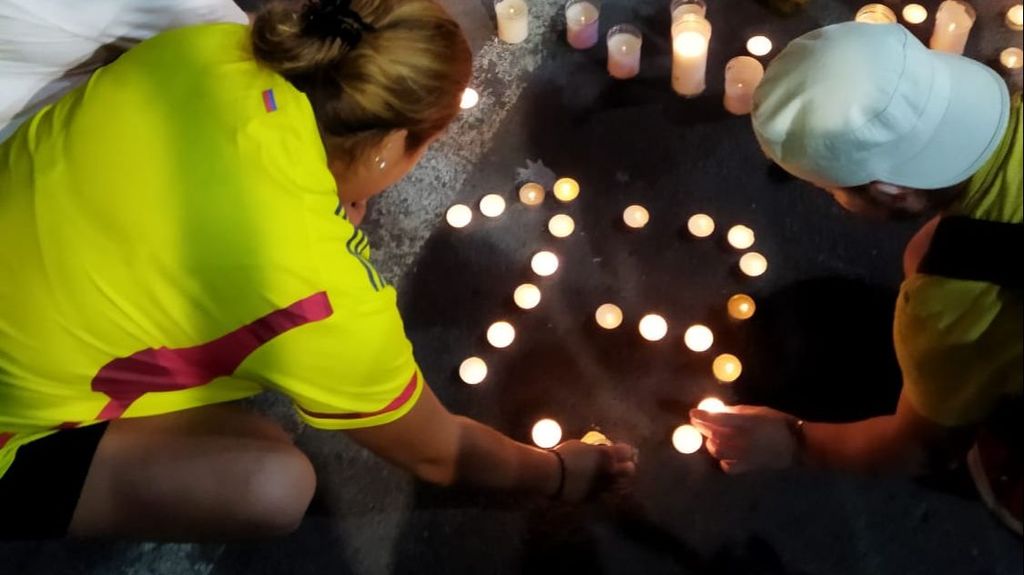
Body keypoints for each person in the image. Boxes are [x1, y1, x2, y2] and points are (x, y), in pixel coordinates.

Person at [0, 0, 636, 541]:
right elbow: (441, 453)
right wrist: (558, 472)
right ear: (391, 145)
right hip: (10, 423)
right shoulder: (318, 296)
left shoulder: (211, 45)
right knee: (275, 484)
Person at [691, 22, 1022, 534]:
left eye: (833, 189)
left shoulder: (946, 306)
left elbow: (923, 448)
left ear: (890, 189)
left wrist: (793, 442)